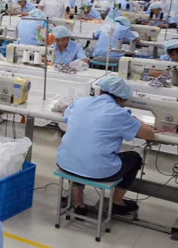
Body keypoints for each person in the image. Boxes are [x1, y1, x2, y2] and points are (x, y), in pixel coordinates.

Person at [57, 75, 155, 217]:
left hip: (65, 163)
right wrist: (135, 120)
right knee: (134, 158)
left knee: (78, 149)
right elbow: (149, 134)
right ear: (121, 99)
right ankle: (117, 202)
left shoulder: (80, 102)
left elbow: (65, 112)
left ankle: (78, 202)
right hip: (98, 170)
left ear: (101, 91)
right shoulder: (120, 113)